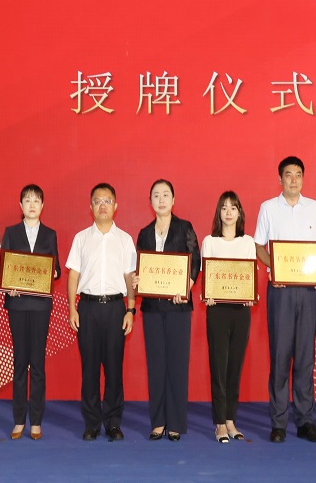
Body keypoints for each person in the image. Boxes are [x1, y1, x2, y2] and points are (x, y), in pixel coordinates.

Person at [254, 155, 316, 443]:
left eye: (298, 174)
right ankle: (278, 422)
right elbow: (258, 246)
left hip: (308, 292)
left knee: (305, 357)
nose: (294, 179)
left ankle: (305, 421)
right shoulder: (268, 208)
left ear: (303, 178)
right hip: (281, 290)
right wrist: (274, 268)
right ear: (280, 179)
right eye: (288, 174)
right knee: (280, 355)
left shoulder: (315, 208)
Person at [65, 183, 137, 441]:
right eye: (97, 201)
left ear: (115, 206)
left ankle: (113, 423)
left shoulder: (125, 239)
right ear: (91, 206)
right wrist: (72, 308)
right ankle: (92, 423)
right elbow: (73, 275)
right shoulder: (81, 238)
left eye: (107, 201)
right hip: (88, 308)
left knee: (114, 369)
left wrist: (131, 309)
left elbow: (130, 277)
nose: (102, 205)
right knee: (90, 369)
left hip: (116, 308)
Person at [134, 179, 200, 441]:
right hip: (152, 308)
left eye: (165, 195)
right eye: (156, 195)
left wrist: (185, 288)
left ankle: (175, 422)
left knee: (177, 364)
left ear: (174, 200)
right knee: (156, 364)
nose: (161, 200)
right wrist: (138, 280)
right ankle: (158, 421)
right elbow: (141, 266)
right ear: (150, 201)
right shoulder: (144, 233)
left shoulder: (185, 228)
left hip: (178, 308)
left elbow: (194, 263)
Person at [1, 184, 61, 440]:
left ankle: (35, 421)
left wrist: (53, 273)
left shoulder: (50, 234)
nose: (32, 205)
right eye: (27, 200)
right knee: (19, 362)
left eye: (36, 200)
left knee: (37, 363)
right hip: (17, 305)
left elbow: (56, 268)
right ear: (21, 205)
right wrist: (9, 284)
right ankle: (18, 420)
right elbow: (3, 267)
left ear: (42, 206)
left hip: (40, 306)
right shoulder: (11, 232)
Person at [201, 191, 256, 444]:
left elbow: (250, 276)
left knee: (235, 366)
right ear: (218, 213)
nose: (229, 212)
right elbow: (207, 276)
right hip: (217, 310)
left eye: (233, 207)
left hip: (241, 310)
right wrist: (208, 295)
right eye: (224, 208)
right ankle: (220, 423)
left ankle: (231, 419)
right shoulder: (209, 241)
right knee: (219, 366)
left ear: (240, 212)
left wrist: (251, 295)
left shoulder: (248, 242)